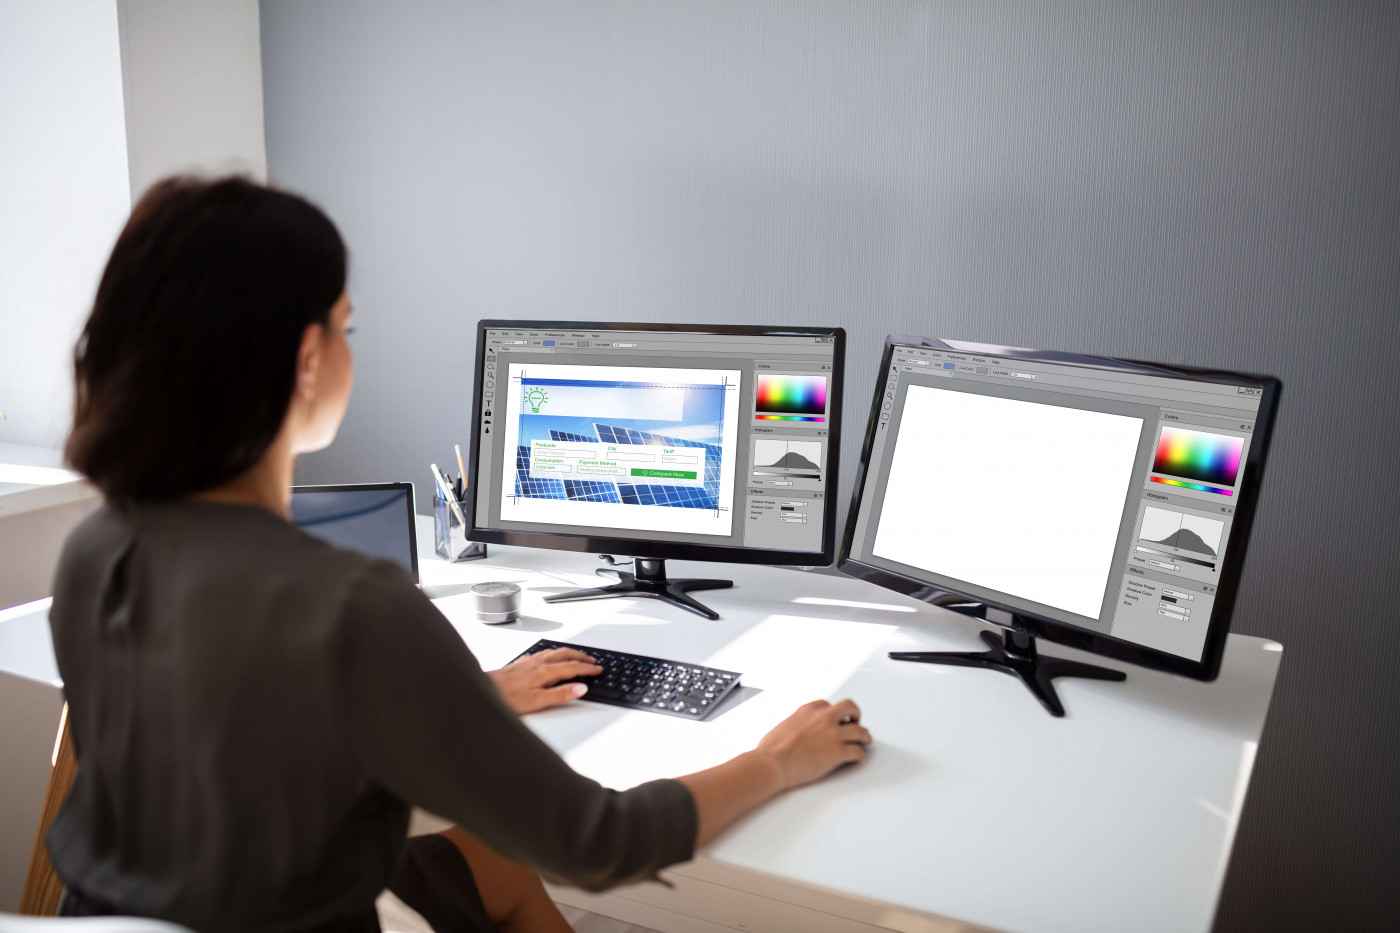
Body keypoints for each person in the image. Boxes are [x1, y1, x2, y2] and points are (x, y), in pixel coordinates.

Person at [47, 176, 872, 933]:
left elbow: (234, 727)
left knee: (487, 856)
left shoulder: (94, 553)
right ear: (307, 360)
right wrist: (774, 760)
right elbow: (598, 841)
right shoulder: (350, 606)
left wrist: (457, 699)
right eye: (346, 327)